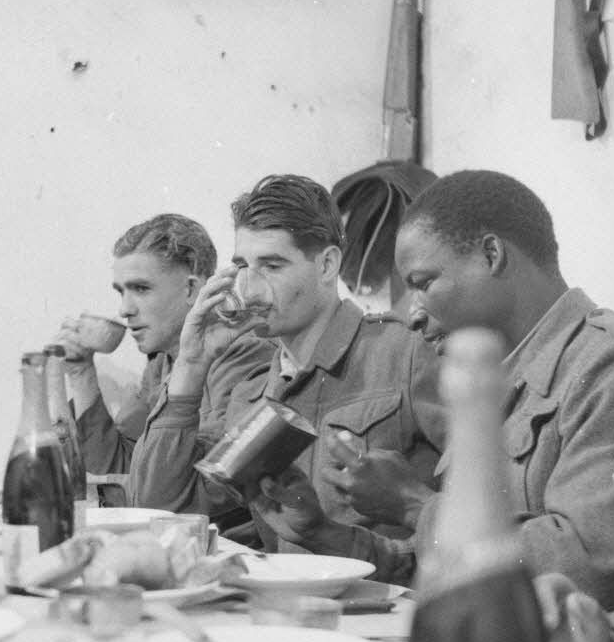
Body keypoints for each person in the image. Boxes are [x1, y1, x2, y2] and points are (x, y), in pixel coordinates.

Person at [262, 170, 614, 611]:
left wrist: (414, 506)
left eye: (422, 282)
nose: (412, 315)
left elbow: (591, 569)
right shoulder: (492, 380)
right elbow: (454, 565)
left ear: (491, 255)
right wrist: (323, 533)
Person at [128, 175, 445, 545]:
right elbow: (159, 508)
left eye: (272, 266)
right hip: (286, 601)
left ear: (327, 266)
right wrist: (190, 365)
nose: (249, 288)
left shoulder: (406, 353)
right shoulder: (252, 394)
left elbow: (489, 503)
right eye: (242, 266)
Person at [55, 212, 275, 525]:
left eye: (141, 289)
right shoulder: (161, 363)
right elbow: (118, 469)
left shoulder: (241, 353)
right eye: (121, 291)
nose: (125, 309)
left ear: (191, 289)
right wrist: (81, 372)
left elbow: (188, 485)